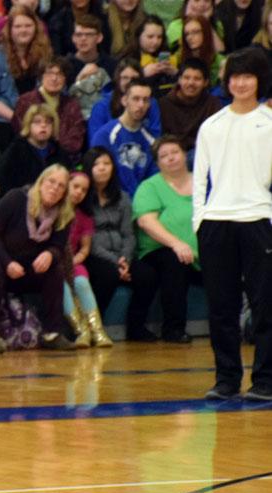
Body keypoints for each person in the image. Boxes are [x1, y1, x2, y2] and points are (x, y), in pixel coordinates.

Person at [192, 48, 272, 401]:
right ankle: (226, 379)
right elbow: (199, 179)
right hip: (216, 222)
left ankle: (265, 380)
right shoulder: (212, 124)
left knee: (265, 304)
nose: (240, 82)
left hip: (259, 219)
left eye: (248, 76)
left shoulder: (269, 124)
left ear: (260, 80)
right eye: (235, 76)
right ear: (226, 82)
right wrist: (199, 220)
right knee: (221, 306)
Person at [0, 164, 76, 353]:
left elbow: (59, 246)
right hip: (5, 263)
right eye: (51, 182)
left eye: (61, 186)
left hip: (32, 270)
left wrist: (50, 253)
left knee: (56, 269)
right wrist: (7, 262)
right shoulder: (16, 198)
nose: (54, 188)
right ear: (41, 182)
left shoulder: (64, 214)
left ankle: (53, 332)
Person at [131, 135, 201, 343]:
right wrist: (177, 244)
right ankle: (173, 329)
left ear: (184, 155)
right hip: (160, 250)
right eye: (164, 156)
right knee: (174, 261)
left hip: (203, 250)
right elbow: (146, 222)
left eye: (175, 152)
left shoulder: (202, 182)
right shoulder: (149, 187)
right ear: (158, 162)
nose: (171, 158)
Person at [81, 146, 154, 341]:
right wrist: (116, 261)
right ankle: (95, 326)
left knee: (147, 275)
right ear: (88, 168)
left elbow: (128, 234)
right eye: (97, 164)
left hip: (121, 254)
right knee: (107, 275)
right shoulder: (82, 197)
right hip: (93, 254)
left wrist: (125, 258)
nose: (102, 168)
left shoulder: (122, 197)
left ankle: (136, 327)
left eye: (107, 163)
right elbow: (89, 237)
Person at [0, 6, 53, 149]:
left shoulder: (44, 56)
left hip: (38, 120)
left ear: (36, 28)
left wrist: (35, 120)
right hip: (4, 121)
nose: (23, 30)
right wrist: (16, 118)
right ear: (10, 30)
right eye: (18, 26)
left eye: (28, 25)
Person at [63, 170, 112, 348]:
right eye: (75, 187)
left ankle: (97, 331)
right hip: (55, 263)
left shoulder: (84, 217)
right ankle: (81, 331)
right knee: (62, 285)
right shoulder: (54, 210)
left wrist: (74, 261)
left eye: (83, 190)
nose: (78, 192)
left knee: (81, 282)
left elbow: (85, 248)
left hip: (74, 261)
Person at [91, 77, 158, 198]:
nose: (141, 105)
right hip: (113, 201)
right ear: (124, 100)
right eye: (136, 99)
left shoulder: (150, 139)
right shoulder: (105, 135)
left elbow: (153, 177)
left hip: (142, 202)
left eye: (146, 100)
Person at [10, 57, 86, 159]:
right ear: (41, 77)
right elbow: (21, 133)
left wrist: (56, 151)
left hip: (63, 158)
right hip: (29, 157)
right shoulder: (25, 101)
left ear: (65, 79)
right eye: (49, 73)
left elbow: (76, 138)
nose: (54, 78)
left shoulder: (72, 105)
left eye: (59, 74)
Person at [0, 103, 70, 192]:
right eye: (37, 122)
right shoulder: (16, 150)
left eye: (48, 122)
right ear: (28, 125)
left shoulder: (58, 151)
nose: (43, 126)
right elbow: (4, 182)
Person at [88, 58, 162, 142]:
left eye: (134, 78)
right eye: (124, 78)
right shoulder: (101, 106)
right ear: (118, 79)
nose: (129, 82)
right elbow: (96, 141)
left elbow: (155, 138)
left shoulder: (150, 102)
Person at [158, 58, 222, 152]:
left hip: (203, 153)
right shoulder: (164, 104)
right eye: (186, 78)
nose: (191, 83)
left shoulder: (213, 104)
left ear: (206, 82)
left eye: (197, 79)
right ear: (179, 79)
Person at [179, 16, 224, 84]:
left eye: (196, 32)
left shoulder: (221, 61)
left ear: (206, 33)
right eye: (186, 34)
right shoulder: (180, 58)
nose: (190, 37)